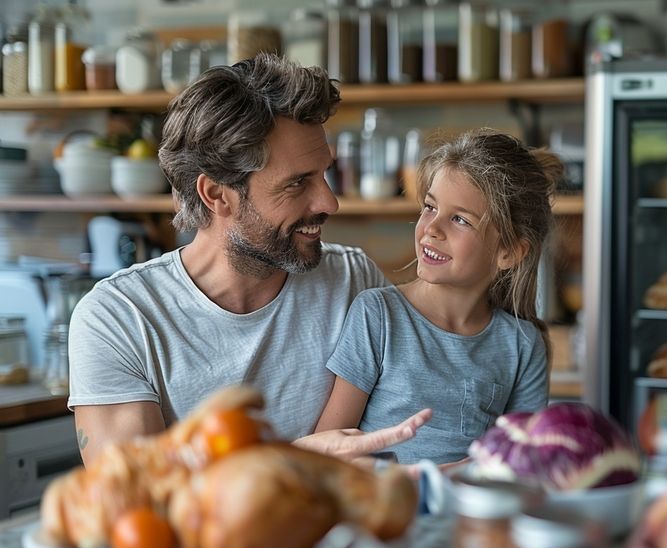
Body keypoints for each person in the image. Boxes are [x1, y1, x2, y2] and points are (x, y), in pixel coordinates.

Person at [68, 53, 430, 467]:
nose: (328, 201)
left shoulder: (353, 281)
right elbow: (131, 501)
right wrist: (298, 460)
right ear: (217, 195)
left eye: (323, 173)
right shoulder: (120, 318)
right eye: (297, 183)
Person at [314, 129, 562, 464]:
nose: (432, 228)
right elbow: (329, 452)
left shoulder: (522, 344)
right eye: (430, 207)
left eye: (460, 219)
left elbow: (524, 464)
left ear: (509, 252)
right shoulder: (378, 315)